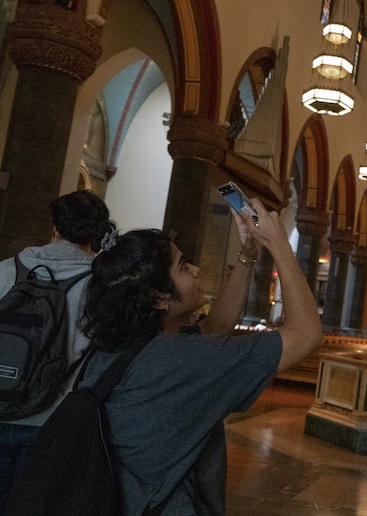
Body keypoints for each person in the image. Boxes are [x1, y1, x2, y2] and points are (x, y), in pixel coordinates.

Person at [78, 198, 323, 515]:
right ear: (158, 297)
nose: (195, 269)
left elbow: (216, 327)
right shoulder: (180, 359)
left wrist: (247, 256)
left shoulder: (124, 343)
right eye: (182, 266)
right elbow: (307, 334)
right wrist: (280, 247)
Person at [0, 190, 113, 515]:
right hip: (55, 421)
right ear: (98, 234)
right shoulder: (99, 287)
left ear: (54, 226)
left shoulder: (2, 271)